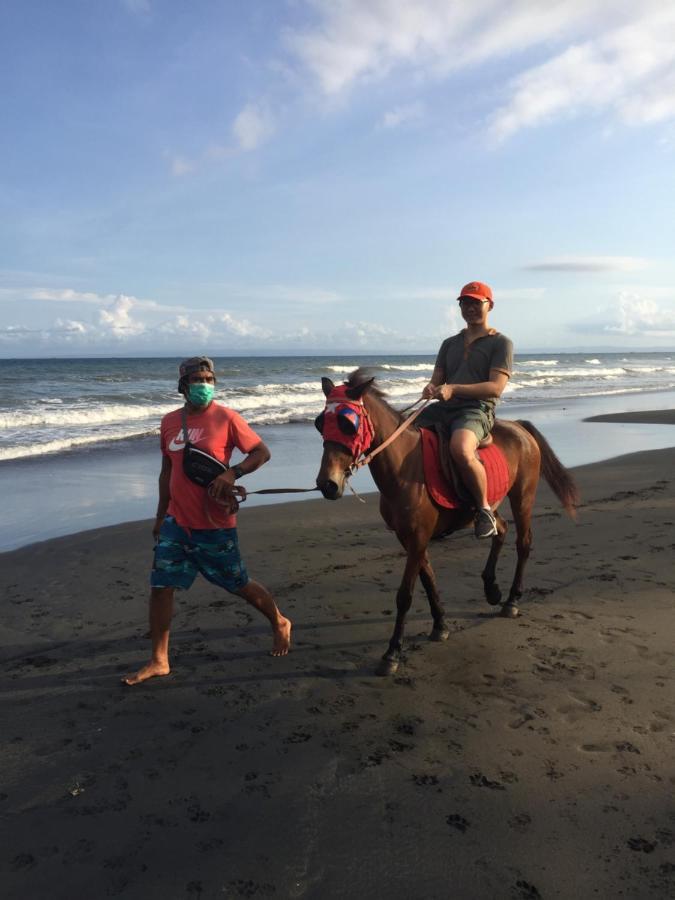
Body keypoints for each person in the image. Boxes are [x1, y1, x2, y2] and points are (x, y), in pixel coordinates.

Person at [124, 356, 291, 686]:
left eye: (209, 379)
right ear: (183, 385)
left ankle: (280, 621)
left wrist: (233, 472)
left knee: (238, 583)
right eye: (198, 379)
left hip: (214, 522)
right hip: (177, 521)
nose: (204, 385)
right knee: (160, 587)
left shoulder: (226, 417)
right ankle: (159, 660)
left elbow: (261, 452)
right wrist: (161, 515)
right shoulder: (170, 421)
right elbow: (167, 471)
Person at [417, 281, 513, 539]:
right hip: (445, 407)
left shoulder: (501, 343)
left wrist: (454, 389)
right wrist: (430, 388)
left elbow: (495, 388)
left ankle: (483, 511)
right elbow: (437, 378)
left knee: (460, 448)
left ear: (489, 305)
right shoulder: (449, 343)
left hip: (476, 410)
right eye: (465, 303)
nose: (470, 308)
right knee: (401, 432)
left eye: (475, 303)